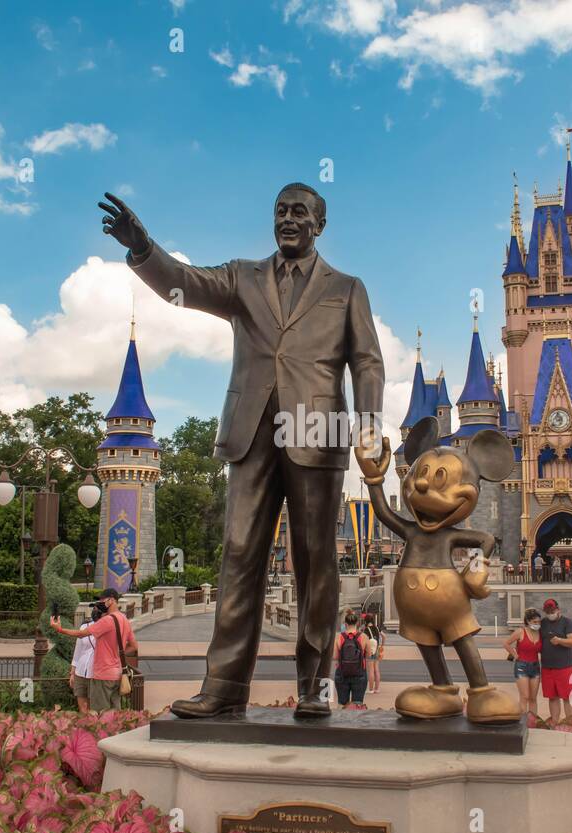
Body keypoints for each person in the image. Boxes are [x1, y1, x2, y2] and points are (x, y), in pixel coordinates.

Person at [101, 184, 385, 721]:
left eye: (299, 212)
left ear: (320, 224)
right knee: (238, 557)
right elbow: (184, 283)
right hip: (250, 435)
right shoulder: (242, 278)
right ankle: (225, 686)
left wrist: (368, 424)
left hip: (317, 432)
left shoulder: (347, 289)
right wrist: (144, 249)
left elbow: (367, 362)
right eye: (280, 211)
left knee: (316, 565)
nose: (287, 219)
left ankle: (313, 686)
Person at [49, 587, 138, 711]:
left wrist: (60, 629)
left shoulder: (107, 620)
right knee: (115, 714)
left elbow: (81, 634)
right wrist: (117, 654)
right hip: (117, 674)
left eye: (103, 601)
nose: (101, 603)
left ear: (111, 600)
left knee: (100, 715)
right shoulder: (124, 619)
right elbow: (134, 646)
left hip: (102, 675)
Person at [538, 599, 572, 723]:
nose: (550, 613)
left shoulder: (567, 623)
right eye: (548, 611)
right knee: (552, 697)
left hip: (564, 667)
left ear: (558, 609)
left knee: (568, 697)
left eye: (552, 610)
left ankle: (571, 723)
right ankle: (555, 722)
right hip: (547, 667)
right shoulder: (543, 623)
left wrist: (560, 640)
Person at [503, 608, 543, 724]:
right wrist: (515, 654)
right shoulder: (520, 632)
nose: (537, 624)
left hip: (535, 666)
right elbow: (506, 643)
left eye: (539, 622)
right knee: (524, 696)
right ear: (528, 621)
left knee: (533, 698)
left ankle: (533, 722)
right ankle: (522, 723)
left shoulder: (540, 633)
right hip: (522, 666)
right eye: (535, 622)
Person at [334, 611, 368, 709]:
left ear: (345, 624)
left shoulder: (339, 637)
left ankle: (341, 723)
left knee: (342, 704)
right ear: (357, 623)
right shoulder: (364, 637)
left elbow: (335, 657)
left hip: (342, 673)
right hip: (360, 673)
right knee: (357, 704)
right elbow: (369, 654)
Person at [362, 612, 385, 694]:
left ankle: (371, 689)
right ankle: (377, 688)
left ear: (365, 621)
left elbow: (363, 641)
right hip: (377, 649)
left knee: (370, 670)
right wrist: (382, 645)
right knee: (376, 669)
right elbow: (384, 636)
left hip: (370, 650)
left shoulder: (366, 630)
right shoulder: (377, 628)